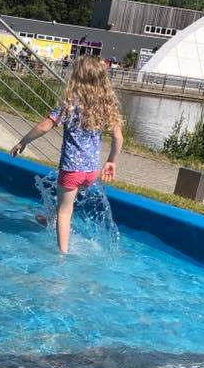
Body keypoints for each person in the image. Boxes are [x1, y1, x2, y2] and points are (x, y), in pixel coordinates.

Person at [9, 54, 123, 253]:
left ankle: (62, 252)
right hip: (90, 172)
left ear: (76, 77)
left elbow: (44, 126)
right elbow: (118, 137)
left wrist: (23, 141)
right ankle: (48, 220)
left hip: (71, 170)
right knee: (65, 200)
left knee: (65, 211)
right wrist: (111, 161)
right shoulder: (105, 105)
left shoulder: (70, 104)